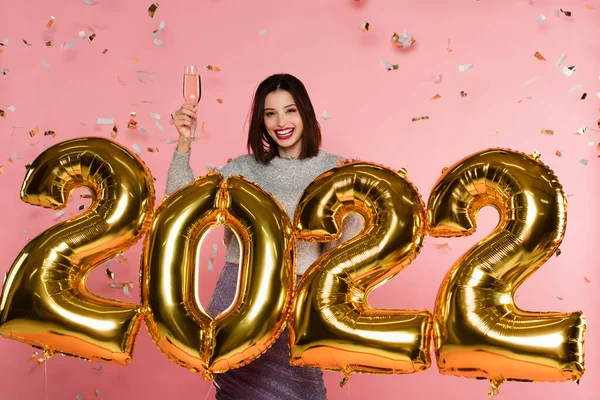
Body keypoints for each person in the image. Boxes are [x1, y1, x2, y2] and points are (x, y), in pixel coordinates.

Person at [165, 73, 361, 400]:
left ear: (305, 114)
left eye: (290, 110)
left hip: (297, 299)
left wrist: (352, 198)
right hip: (238, 300)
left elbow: (342, 245)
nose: (280, 122)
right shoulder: (243, 168)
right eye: (270, 113)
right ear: (261, 120)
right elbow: (180, 208)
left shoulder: (333, 167)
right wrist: (184, 143)